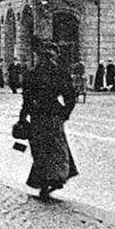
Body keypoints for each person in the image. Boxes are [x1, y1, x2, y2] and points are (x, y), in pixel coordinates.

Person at [17, 38, 78, 201]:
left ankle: (46, 182)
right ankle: (56, 177)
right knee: (56, 148)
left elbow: (27, 100)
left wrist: (23, 117)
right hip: (53, 114)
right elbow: (71, 97)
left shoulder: (32, 73)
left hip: (38, 115)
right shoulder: (59, 72)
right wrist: (65, 113)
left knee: (40, 150)